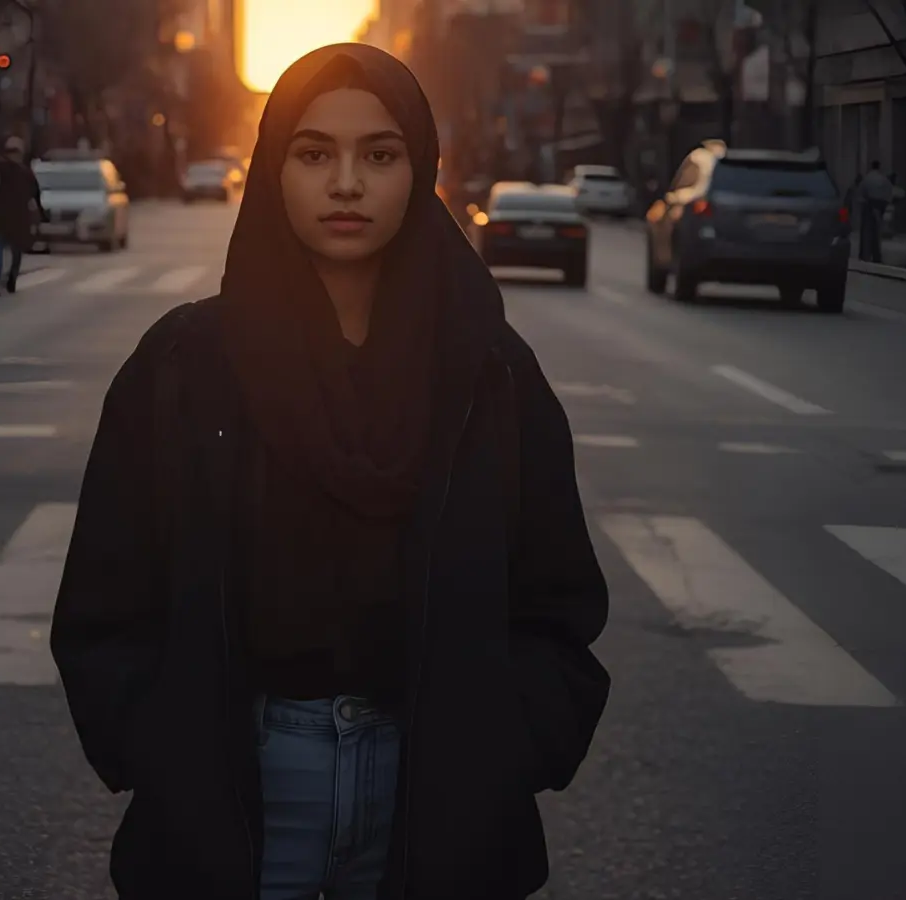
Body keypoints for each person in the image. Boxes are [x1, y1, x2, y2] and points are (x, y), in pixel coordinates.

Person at [50, 44, 610, 900]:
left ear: (418, 169)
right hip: (235, 798)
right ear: (274, 166)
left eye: (379, 155)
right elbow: (104, 601)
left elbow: (558, 601)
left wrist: (503, 750)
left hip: (437, 803)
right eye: (314, 154)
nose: (346, 183)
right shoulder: (184, 365)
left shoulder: (489, 371)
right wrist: (163, 751)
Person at [0, 136, 40, 296]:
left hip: (1, 218)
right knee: (15, 252)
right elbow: (34, 196)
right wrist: (37, 217)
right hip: (18, 220)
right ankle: (10, 281)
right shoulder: (26, 173)